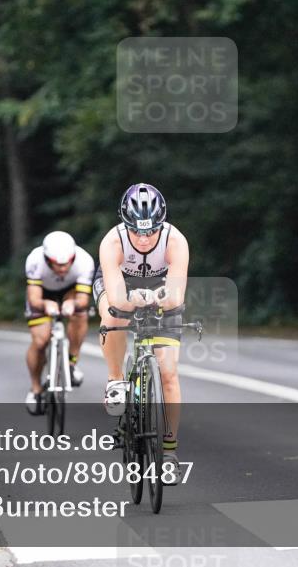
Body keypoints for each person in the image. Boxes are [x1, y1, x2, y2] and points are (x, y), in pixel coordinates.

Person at [93, 183, 189, 483]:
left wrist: (160, 296)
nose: (144, 239)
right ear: (125, 224)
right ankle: (116, 379)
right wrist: (130, 300)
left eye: (151, 231)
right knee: (114, 313)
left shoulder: (176, 241)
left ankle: (170, 451)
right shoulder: (113, 242)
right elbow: (118, 297)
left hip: (162, 288)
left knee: (169, 373)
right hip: (120, 286)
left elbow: (175, 297)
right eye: (137, 231)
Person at [23, 231, 95, 415]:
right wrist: (45, 304)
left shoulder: (84, 261)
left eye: (67, 263)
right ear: (47, 259)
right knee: (40, 341)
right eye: (57, 264)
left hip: (70, 291)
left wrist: (74, 303)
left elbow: (83, 299)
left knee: (80, 315)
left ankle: (71, 363)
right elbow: (33, 298)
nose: (62, 268)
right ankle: (36, 388)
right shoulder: (35, 259)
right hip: (43, 293)